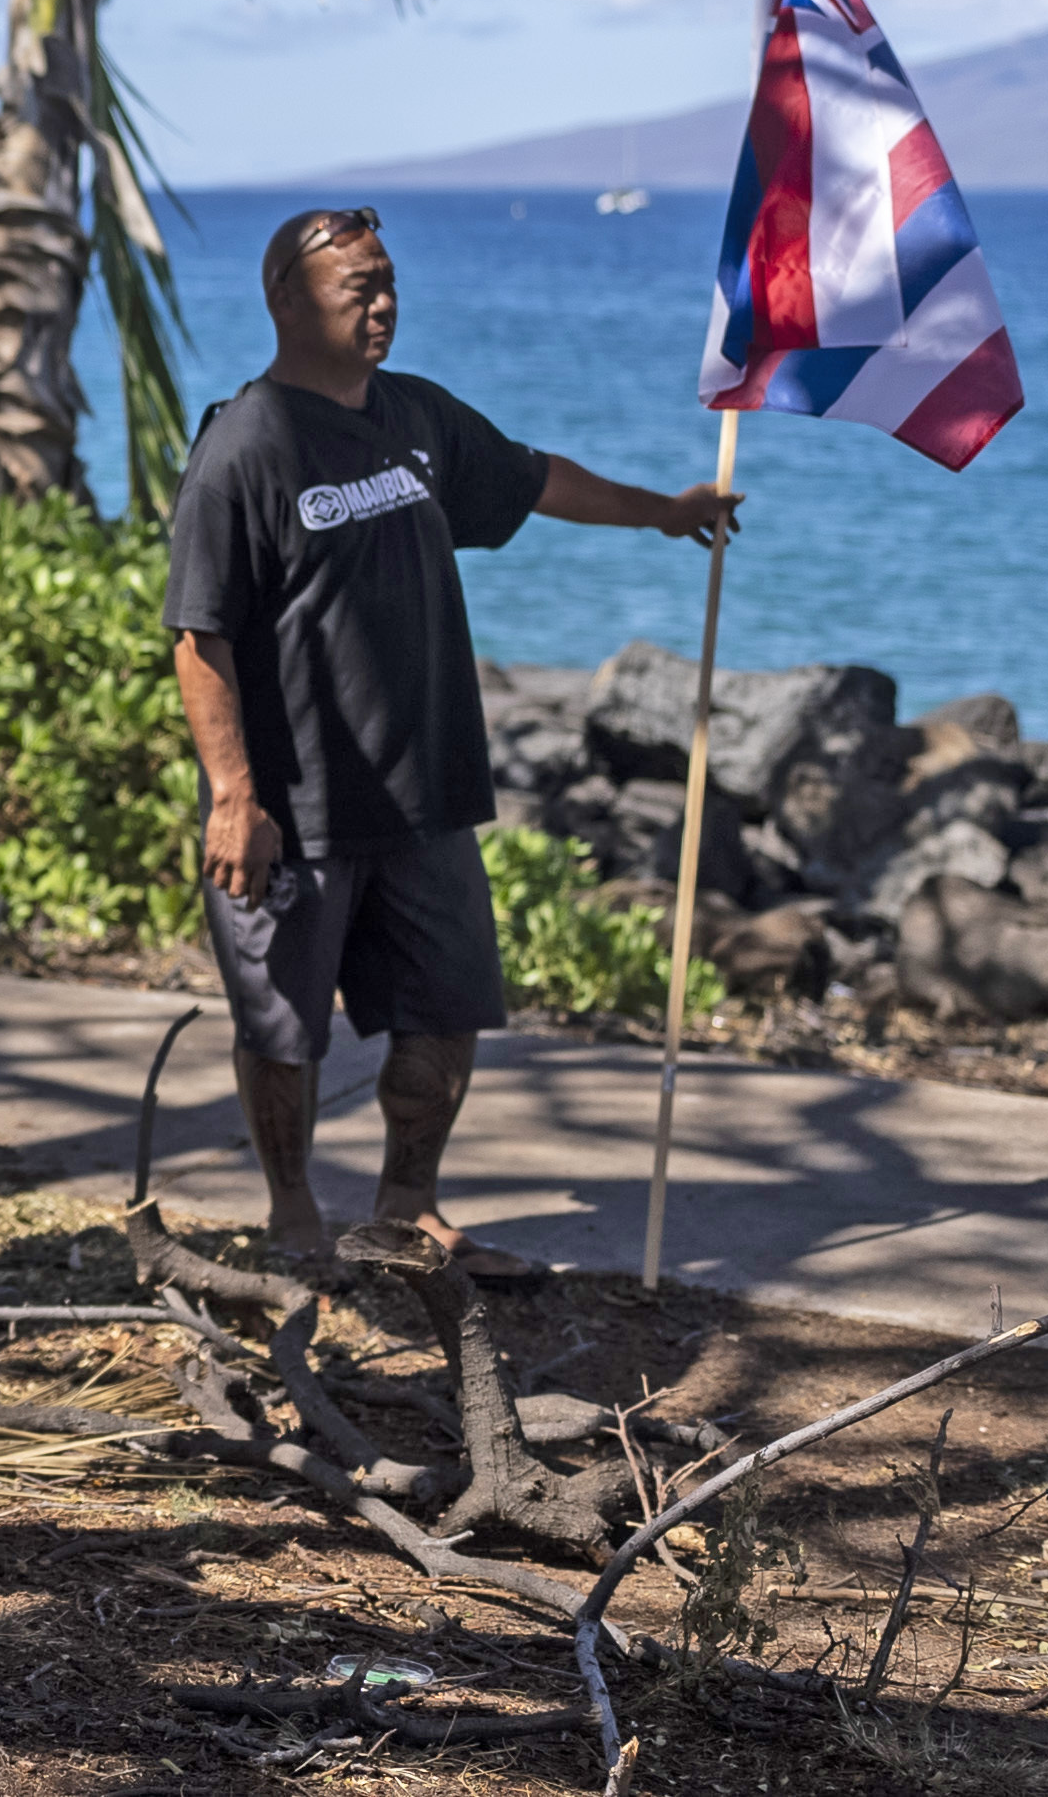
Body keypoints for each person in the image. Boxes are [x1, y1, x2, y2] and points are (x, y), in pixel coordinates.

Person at [165, 207, 738, 1279]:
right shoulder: (242, 445)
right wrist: (233, 794)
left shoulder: (413, 415)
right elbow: (200, 636)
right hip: (301, 805)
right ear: (286, 301)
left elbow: (532, 480)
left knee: (445, 1005)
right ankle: (291, 1214)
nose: (380, 305)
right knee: (283, 1028)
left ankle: (404, 1206)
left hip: (423, 790)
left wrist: (662, 511)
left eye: (387, 284)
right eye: (356, 289)